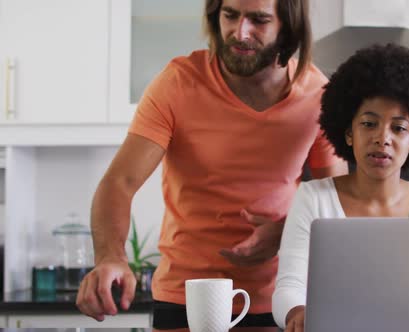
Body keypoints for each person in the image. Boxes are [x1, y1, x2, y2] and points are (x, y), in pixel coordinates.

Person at [75, 0, 347, 328]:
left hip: (280, 301)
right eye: (230, 15)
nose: (240, 32)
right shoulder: (177, 83)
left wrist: (284, 233)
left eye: (259, 20)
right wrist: (110, 257)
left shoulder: (318, 96)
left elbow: (334, 203)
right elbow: (119, 183)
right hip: (186, 297)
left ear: (288, 25)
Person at [272, 43, 409, 331]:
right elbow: (288, 287)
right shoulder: (313, 198)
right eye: (369, 124)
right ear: (348, 134)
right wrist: (297, 312)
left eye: (399, 128)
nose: (382, 138)